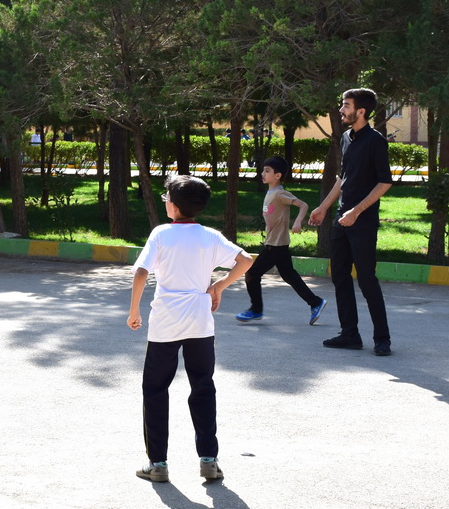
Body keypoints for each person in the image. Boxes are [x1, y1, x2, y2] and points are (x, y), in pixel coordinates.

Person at [127, 175, 252, 484]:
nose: (165, 202)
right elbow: (246, 260)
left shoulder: (161, 233)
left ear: (174, 206)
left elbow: (142, 272)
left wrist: (134, 310)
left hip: (165, 322)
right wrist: (220, 285)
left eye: (166, 198)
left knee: (155, 389)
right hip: (200, 319)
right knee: (203, 387)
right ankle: (209, 460)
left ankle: (158, 464)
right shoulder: (210, 235)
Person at [309, 88, 394, 356]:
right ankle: (350, 334)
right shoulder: (346, 138)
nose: (341, 110)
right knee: (340, 277)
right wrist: (323, 207)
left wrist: (356, 211)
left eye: (346, 106)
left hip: (362, 222)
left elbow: (385, 182)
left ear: (361, 111)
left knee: (367, 280)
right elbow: (342, 180)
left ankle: (382, 339)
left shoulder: (376, 141)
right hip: (340, 220)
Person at [237, 156, 328, 324]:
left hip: (275, 245)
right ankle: (315, 302)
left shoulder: (280, 193)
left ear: (277, 175)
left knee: (251, 274)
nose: (262, 173)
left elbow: (303, 205)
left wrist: (298, 221)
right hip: (277, 243)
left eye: (267, 171)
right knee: (289, 276)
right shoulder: (271, 193)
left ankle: (256, 310)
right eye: (263, 170)